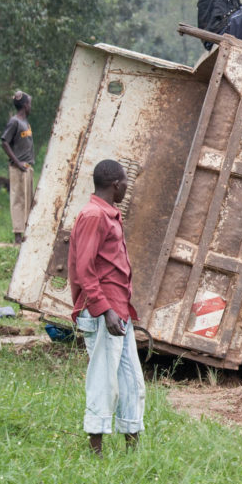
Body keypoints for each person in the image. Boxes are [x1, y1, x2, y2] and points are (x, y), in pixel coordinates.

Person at [68, 160, 146, 456]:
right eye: (126, 182)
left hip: (118, 312)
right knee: (103, 380)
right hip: (104, 314)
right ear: (115, 185)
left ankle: (133, 451)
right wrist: (104, 310)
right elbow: (84, 270)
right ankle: (96, 451)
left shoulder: (107, 214)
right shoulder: (93, 216)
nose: (127, 187)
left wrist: (117, 309)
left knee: (132, 381)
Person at [1, 91, 34, 244]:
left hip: (27, 167)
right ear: (25, 105)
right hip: (18, 168)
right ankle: (17, 237)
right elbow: (5, 142)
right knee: (18, 200)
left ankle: (26, 234)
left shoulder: (25, 122)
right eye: (30, 104)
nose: (31, 107)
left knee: (28, 201)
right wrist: (17, 162)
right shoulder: (14, 122)